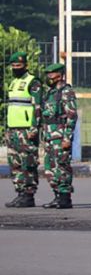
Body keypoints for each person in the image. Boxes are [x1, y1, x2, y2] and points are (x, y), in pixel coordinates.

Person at [4, 51, 41, 207]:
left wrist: (34, 127)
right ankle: (20, 192)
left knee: (28, 162)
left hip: (26, 129)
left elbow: (37, 107)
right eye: (13, 66)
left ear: (26, 65)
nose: (15, 68)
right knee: (15, 163)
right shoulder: (13, 82)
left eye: (18, 65)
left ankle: (28, 194)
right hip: (13, 129)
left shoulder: (33, 82)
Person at [39, 62, 76, 209]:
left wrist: (67, 137)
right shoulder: (50, 92)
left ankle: (65, 197)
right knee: (49, 167)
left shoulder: (66, 92)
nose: (49, 77)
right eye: (47, 74)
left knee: (62, 166)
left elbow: (71, 116)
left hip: (60, 135)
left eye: (51, 74)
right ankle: (57, 195)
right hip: (49, 135)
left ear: (59, 75)